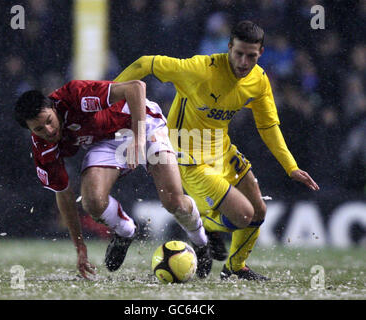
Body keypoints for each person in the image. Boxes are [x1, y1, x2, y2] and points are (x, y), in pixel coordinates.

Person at [114, 20, 320, 280]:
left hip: (222, 151)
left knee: (259, 211)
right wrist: (108, 95)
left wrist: (290, 166)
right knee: (243, 215)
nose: (244, 62)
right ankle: (205, 225)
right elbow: (145, 63)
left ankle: (235, 268)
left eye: (252, 56)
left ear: (261, 54)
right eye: (239, 54)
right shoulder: (200, 69)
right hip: (188, 158)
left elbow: (268, 126)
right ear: (229, 47)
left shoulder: (258, 81)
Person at [14, 79, 209, 280]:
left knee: (174, 201)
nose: (49, 131)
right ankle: (125, 231)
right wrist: (79, 246)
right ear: (30, 131)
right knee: (92, 201)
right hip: (104, 141)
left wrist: (138, 137)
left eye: (49, 121)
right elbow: (63, 194)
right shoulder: (42, 149)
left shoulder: (75, 96)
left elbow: (136, 87)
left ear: (54, 108)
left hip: (142, 124)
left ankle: (201, 242)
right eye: (39, 129)